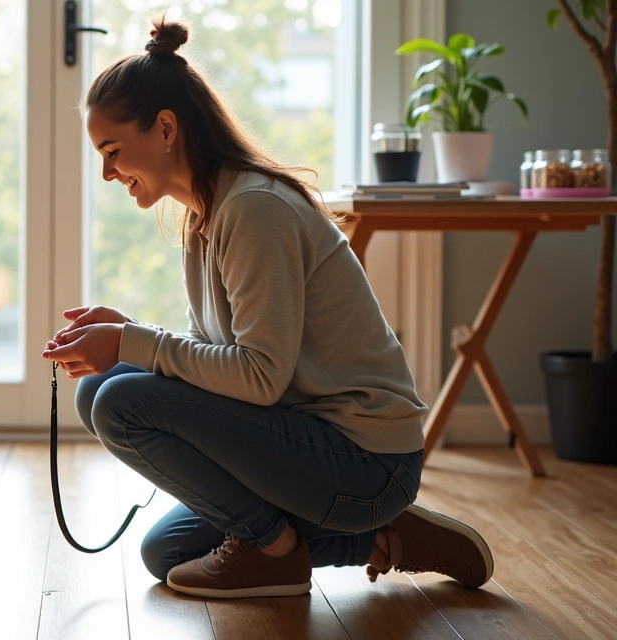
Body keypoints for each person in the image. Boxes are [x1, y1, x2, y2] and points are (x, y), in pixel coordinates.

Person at [39, 17, 493, 599]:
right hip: (305, 440)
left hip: (366, 461)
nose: (107, 173)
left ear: (166, 128)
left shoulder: (253, 210)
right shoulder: (207, 213)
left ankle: (278, 549)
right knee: (167, 550)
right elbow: (223, 359)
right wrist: (128, 335)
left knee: (121, 400)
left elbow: (259, 376)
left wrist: (132, 343)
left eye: (112, 151)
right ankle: (381, 540)